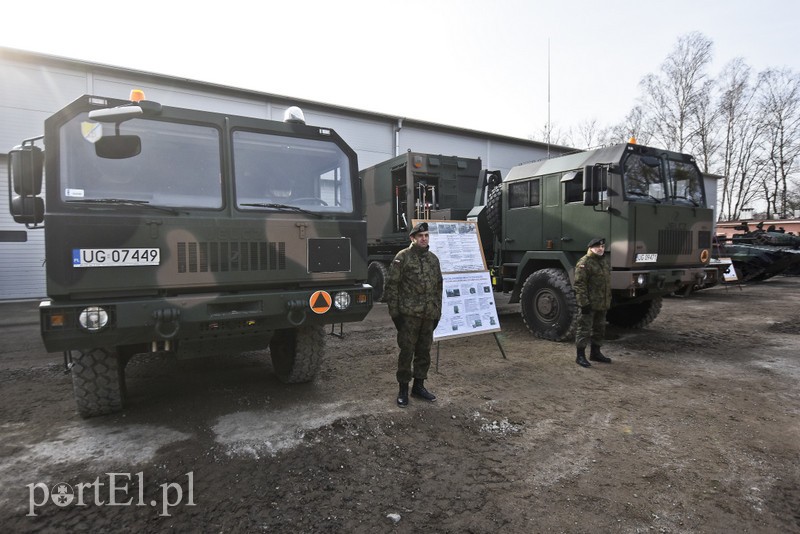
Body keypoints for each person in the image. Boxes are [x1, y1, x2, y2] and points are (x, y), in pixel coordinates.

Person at [384, 221, 443, 407]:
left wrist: (437, 312)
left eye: (426, 235)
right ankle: (403, 389)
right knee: (407, 352)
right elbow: (392, 287)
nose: (424, 239)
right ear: (413, 238)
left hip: (428, 315)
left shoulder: (433, 259)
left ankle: (419, 386)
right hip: (408, 316)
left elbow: (438, 286)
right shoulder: (403, 257)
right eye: (420, 236)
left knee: (424, 352)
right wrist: (395, 315)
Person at [573, 237, 612, 368]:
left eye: (602, 246)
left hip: (602, 303)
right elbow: (579, 285)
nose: (600, 249)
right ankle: (580, 356)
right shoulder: (585, 262)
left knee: (599, 329)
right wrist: (583, 304)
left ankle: (595, 353)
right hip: (589, 304)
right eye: (597, 247)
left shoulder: (604, 262)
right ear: (590, 248)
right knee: (584, 329)